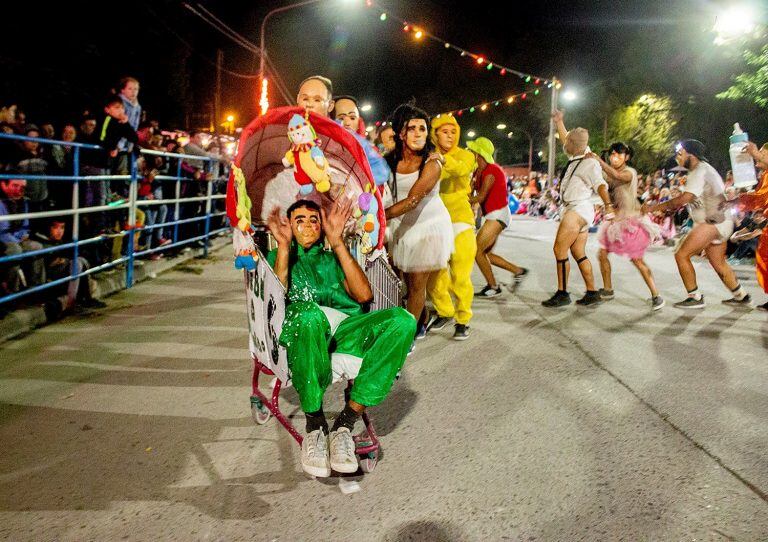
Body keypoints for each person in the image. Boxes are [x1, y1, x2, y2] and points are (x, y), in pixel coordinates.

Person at [266, 199, 415, 477]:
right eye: (300, 219)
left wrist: (337, 243)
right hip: (306, 331)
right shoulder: (282, 257)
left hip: (346, 329)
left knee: (403, 320)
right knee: (308, 315)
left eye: (314, 219)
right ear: (289, 227)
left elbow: (364, 296)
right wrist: (284, 247)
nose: (308, 225)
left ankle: (345, 423)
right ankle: (315, 425)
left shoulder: (334, 256)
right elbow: (277, 293)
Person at [642, 139, 750, 308]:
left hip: (714, 222)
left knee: (681, 254)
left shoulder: (701, 170)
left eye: (680, 153)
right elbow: (692, 199)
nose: (677, 157)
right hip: (718, 222)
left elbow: (685, 198)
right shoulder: (696, 172)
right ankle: (741, 295)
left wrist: (653, 207)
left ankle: (695, 297)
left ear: (691, 155)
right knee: (718, 263)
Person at [385, 103, 452, 338]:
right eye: (411, 128)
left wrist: (379, 217)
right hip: (402, 226)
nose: (417, 134)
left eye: (422, 129)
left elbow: (413, 200)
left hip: (428, 228)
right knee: (402, 283)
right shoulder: (389, 161)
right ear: (401, 133)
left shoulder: (432, 163)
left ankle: (407, 338)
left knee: (415, 286)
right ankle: (421, 318)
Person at [542, 110, 613, 307]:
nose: (564, 143)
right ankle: (592, 292)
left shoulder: (589, 162)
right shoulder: (579, 153)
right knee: (578, 252)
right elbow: (568, 138)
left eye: (567, 143)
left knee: (559, 249)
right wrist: (560, 122)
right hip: (576, 209)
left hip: (579, 209)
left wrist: (608, 206)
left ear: (573, 145)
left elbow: (600, 185)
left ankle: (562, 293)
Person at [587, 143, 664, 310]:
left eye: (619, 155)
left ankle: (656, 295)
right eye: (612, 155)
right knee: (602, 254)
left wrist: (598, 160)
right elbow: (602, 182)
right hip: (614, 223)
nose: (615, 158)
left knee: (637, 260)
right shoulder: (609, 174)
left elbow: (616, 175)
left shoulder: (630, 172)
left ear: (626, 157)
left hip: (631, 223)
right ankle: (608, 289)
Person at [424, 114, 477, 340]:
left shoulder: (464, 155)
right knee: (435, 274)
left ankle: (463, 319)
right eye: (444, 131)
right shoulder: (430, 157)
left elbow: (461, 170)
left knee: (461, 275)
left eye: (453, 131)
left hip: (460, 221)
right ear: (435, 134)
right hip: (435, 221)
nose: (450, 135)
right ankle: (445, 311)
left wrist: (443, 160)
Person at [467, 137, 528, 299]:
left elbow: (480, 197)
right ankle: (518, 271)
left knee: (476, 250)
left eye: (473, 151)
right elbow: (472, 192)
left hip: (498, 214)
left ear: (479, 154)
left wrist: (460, 197)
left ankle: (493, 286)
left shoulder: (492, 171)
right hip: (493, 215)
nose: (470, 154)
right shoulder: (478, 171)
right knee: (485, 253)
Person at [0, 176, 45, 294]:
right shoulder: (1, 202)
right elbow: (3, 232)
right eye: (15, 185)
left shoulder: (23, 201)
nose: (19, 190)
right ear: (3, 185)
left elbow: (25, 226)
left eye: (22, 187)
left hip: (15, 239)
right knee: (15, 250)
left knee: (37, 247)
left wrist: (21, 236)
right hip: (4, 242)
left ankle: (36, 289)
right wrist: (19, 238)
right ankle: (11, 292)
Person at [738, 141, 768, 311]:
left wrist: (755, 153)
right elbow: (758, 198)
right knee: (764, 258)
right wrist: (736, 200)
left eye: (763, 154)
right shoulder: (765, 175)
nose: (758, 157)